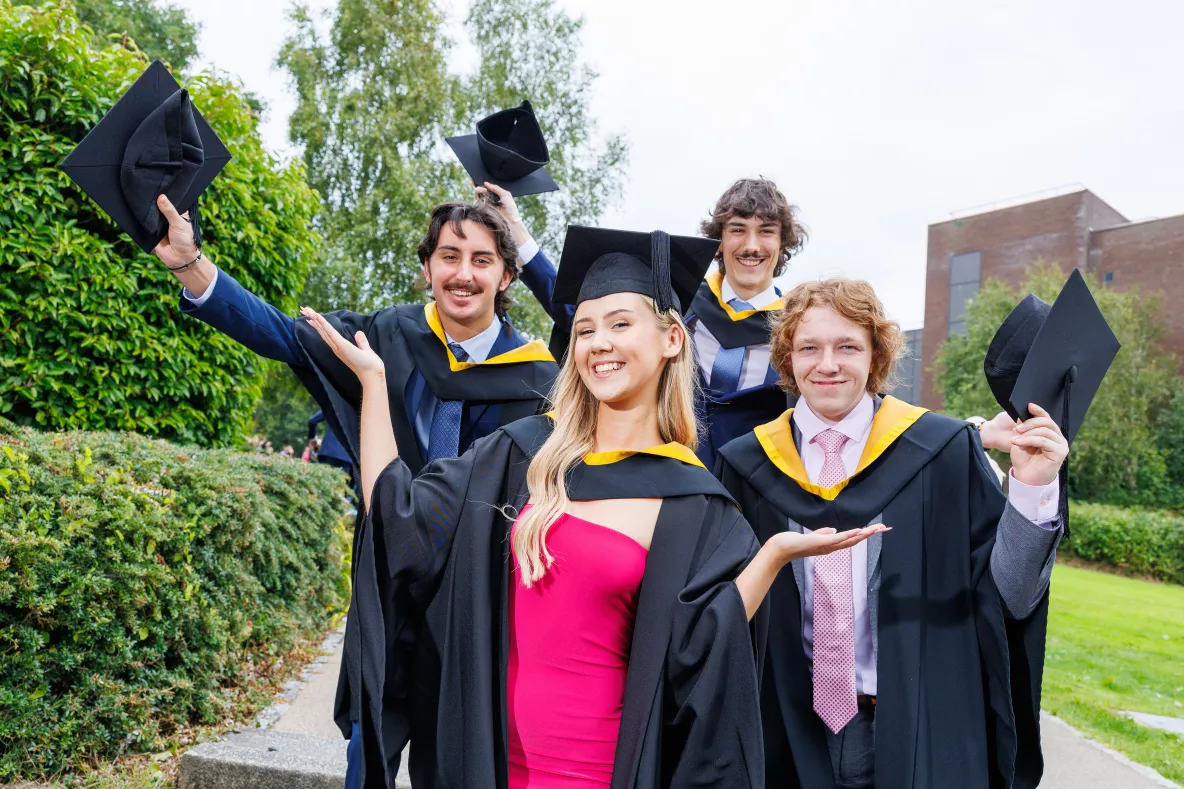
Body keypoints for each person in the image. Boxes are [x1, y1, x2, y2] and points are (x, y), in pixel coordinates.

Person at [303, 228, 882, 788]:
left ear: (672, 339)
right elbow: (399, 521)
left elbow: (702, 649)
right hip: (489, 763)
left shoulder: (695, 499)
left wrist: (774, 554)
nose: (598, 342)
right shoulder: (523, 455)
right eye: (584, 329)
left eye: (620, 324)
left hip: (603, 770)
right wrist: (374, 388)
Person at [150, 195, 559, 787]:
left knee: (463, 762)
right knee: (368, 758)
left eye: (482, 259)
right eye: (448, 256)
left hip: (478, 597)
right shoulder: (388, 339)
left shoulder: (540, 379)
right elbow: (284, 336)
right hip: (388, 585)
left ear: (505, 274)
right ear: (426, 267)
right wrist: (192, 266)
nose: (463, 274)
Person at [716, 278, 1071, 789]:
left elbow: (1010, 599)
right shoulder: (747, 465)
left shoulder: (940, 451)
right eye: (809, 348)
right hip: (781, 730)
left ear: (876, 354)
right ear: (786, 358)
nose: (827, 364)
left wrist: (1031, 491)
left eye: (847, 347)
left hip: (915, 726)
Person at [478, 177, 807, 466]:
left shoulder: (798, 331)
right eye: (738, 230)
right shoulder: (679, 302)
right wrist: (516, 229)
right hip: (664, 477)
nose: (751, 246)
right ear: (719, 239)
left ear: (782, 242)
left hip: (755, 496)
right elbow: (582, 310)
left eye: (766, 232)